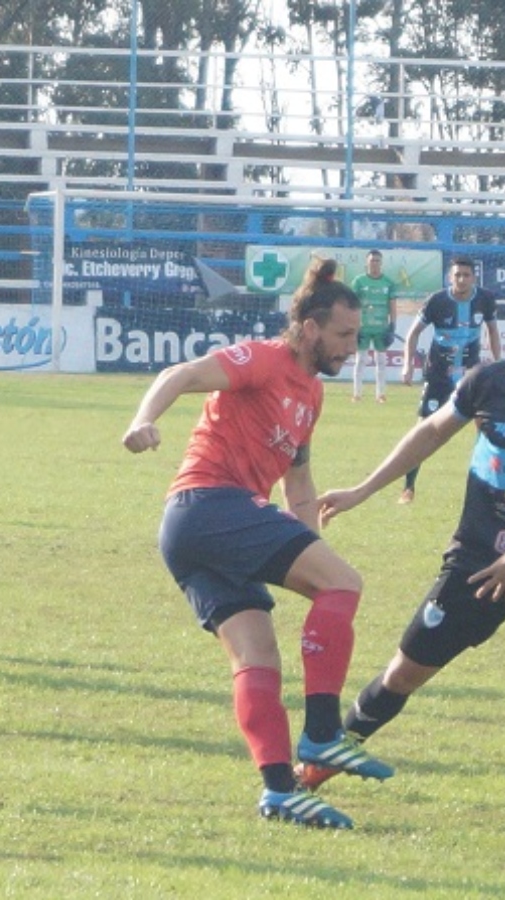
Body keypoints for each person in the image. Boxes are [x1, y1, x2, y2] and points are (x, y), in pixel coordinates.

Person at [306, 291, 505, 827]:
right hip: (478, 561)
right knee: (403, 674)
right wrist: (363, 490)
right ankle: (320, 763)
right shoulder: (492, 383)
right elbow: (430, 433)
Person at [122, 257, 392, 830]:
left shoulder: (311, 396)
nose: (353, 346)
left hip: (195, 531)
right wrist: (143, 420)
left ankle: (280, 791)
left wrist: (308, 543)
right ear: (312, 329)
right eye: (344, 335)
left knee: (257, 654)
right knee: (345, 583)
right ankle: (321, 733)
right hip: (209, 504)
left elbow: (298, 484)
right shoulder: (266, 359)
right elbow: (182, 375)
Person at [398, 254, 500, 504]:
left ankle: (487, 488)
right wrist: (407, 364)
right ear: (449, 277)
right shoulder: (437, 301)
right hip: (439, 375)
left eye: (466, 275)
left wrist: (497, 364)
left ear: (474, 277)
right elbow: (412, 334)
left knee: (485, 425)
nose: (462, 279)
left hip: (471, 373)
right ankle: (408, 487)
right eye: (457, 275)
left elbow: (493, 331)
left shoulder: (485, 299)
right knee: (424, 427)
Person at [349, 249, 398, 402]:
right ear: (367, 262)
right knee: (360, 361)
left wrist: (393, 325)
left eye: (377, 261)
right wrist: (354, 325)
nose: (374, 263)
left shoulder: (388, 283)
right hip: (363, 327)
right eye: (372, 260)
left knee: (381, 362)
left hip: (381, 328)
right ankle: (357, 394)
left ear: (381, 263)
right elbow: (353, 305)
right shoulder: (359, 281)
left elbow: (392, 305)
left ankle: (380, 395)